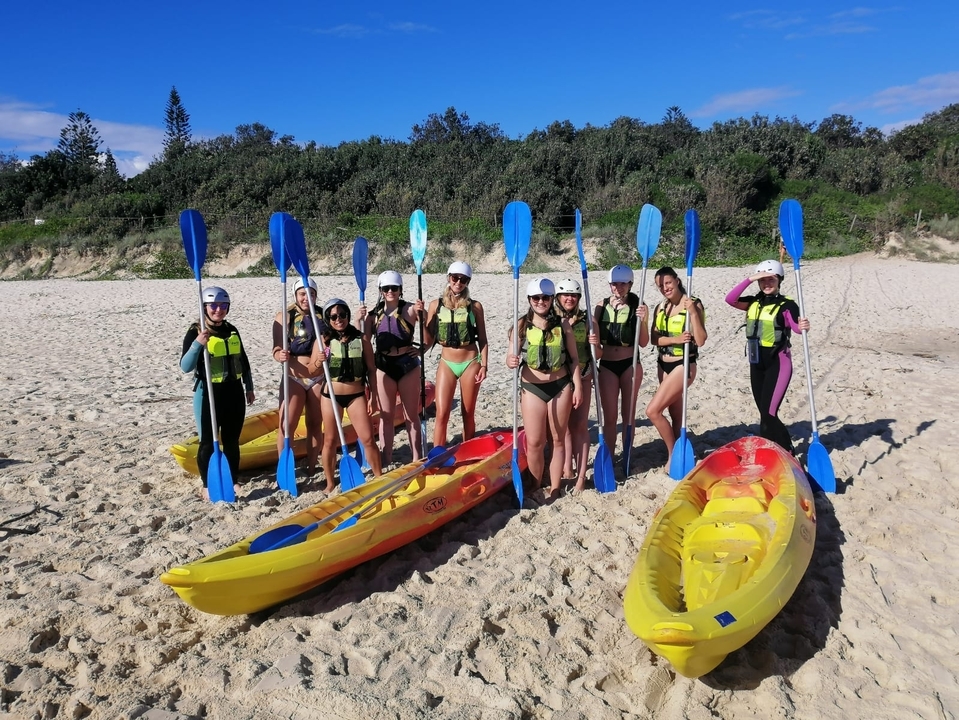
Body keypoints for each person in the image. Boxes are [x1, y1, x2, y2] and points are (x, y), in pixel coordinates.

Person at [506, 278, 582, 499]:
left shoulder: (564, 325)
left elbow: (574, 359)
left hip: (560, 386)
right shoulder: (520, 325)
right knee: (535, 442)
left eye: (545, 298)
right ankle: (536, 484)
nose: (541, 302)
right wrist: (510, 360)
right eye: (536, 298)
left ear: (552, 299)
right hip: (532, 387)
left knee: (557, 440)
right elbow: (510, 356)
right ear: (529, 299)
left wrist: (577, 387)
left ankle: (555, 487)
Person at [724, 259, 810, 454]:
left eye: (771, 279)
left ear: (779, 280)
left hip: (778, 364)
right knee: (764, 414)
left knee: (769, 413)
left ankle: (788, 451)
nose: (767, 284)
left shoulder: (787, 305)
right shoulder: (753, 302)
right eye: (763, 280)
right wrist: (750, 278)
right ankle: (769, 448)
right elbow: (730, 299)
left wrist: (803, 326)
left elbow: (796, 328)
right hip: (756, 364)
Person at [179, 286, 255, 491]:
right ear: (205, 307)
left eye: (223, 305)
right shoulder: (196, 331)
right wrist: (197, 343)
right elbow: (185, 367)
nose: (218, 310)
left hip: (234, 391)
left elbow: (243, 359)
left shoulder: (232, 329)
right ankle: (206, 485)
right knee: (208, 441)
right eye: (213, 305)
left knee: (231, 440)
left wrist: (249, 386)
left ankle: (233, 479)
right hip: (209, 393)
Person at [316, 298, 382, 489]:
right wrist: (319, 360)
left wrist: (374, 396)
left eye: (342, 315)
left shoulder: (362, 339)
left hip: (356, 395)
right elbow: (313, 370)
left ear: (347, 316)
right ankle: (329, 483)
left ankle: (379, 476)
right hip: (331, 397)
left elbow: (371, 369)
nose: (339, 319)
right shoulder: (323, 341)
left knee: (368, 438)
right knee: (329, 440)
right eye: (334, 316)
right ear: (328, 319)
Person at [646, 266, 707, 463]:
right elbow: (655, 339)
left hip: (684, 365)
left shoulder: (693, 305)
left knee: (653, 411)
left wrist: (694, 315)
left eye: (668, 283)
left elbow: (701, 340)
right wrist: (675, 340)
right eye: (660, 286)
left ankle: (673, 454)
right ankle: (683, 449)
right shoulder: (661, 307)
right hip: (663, 364)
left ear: (677, 281)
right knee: (674, 411)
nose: (665, 288)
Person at [424, 262, 489, 447]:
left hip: (471, 363)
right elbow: (428, 339)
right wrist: (421, 320)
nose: (458, 282)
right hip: (447, 363)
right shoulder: (435, 305)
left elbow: (483, 339)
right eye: (455, 278)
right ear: (448, 278)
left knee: (467, 412)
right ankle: (438, 453)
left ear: (468, 281)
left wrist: (484, 365)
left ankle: (469, 448)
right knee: (442, 413)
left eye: (463, 279)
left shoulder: (475, 307)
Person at [366, 270, 425, 464]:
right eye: (386, 288)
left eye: (394, 288)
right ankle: (386, 458)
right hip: (384, 366)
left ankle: (417, 457)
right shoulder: (373, 316)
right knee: (386, 416)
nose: (390, 291)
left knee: (411, 415)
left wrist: (422, 349)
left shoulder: (411, 310)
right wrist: (360, 321)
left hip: (407, 365)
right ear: (381, 291)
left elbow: (429, 334)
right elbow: (364, 342)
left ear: (400, 290)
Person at [594, 265, 648, 465]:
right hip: (607, 364)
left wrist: (642, 321)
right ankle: (608, 456)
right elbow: (595, 338)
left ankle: (627, 454)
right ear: (610, 285)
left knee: (629, 414)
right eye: (614, 284)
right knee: (610, 417)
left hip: (630, 364)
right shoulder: (601, 306)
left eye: (622, 284)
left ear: (630, 284)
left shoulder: (640, 306)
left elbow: (643, 342)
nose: (618, 288)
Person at [272, 277, 324, 475]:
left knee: (314, 423)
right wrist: (279, 354)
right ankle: (285, 470)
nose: (306, 298)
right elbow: (276, 347)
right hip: (293, 377)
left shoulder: (323, 316)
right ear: (295, 295)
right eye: (303, 294)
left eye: (311, 294)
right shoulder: (283, 317)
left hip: (317, 378)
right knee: (287, 426)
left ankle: (311, 466)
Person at [554, 278, 601, 492]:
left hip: (583, 375)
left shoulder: (589, 321)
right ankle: (566, 469)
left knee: (579, 426)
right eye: (565, 295)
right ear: (558, 297)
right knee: (562, 428)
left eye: (573, 295)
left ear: (579, 298)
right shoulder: (552, 320)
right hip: (560, 378)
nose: (569, 299)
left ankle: (581, 476)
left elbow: (598, 354)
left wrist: (595, 345)